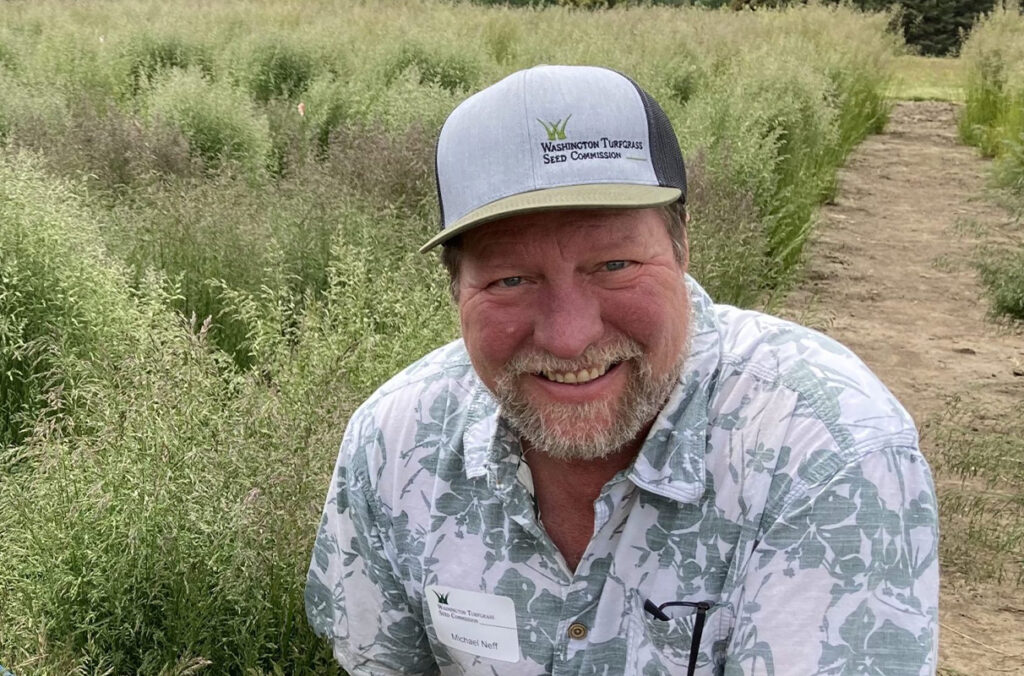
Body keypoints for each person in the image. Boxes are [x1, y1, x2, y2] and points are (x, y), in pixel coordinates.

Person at [305, 65, 938, 675]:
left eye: (613, 266)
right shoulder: (394, 446)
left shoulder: (827, 452)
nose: (569, 335)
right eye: (511, 278)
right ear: (456, 289)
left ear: (682, 245)